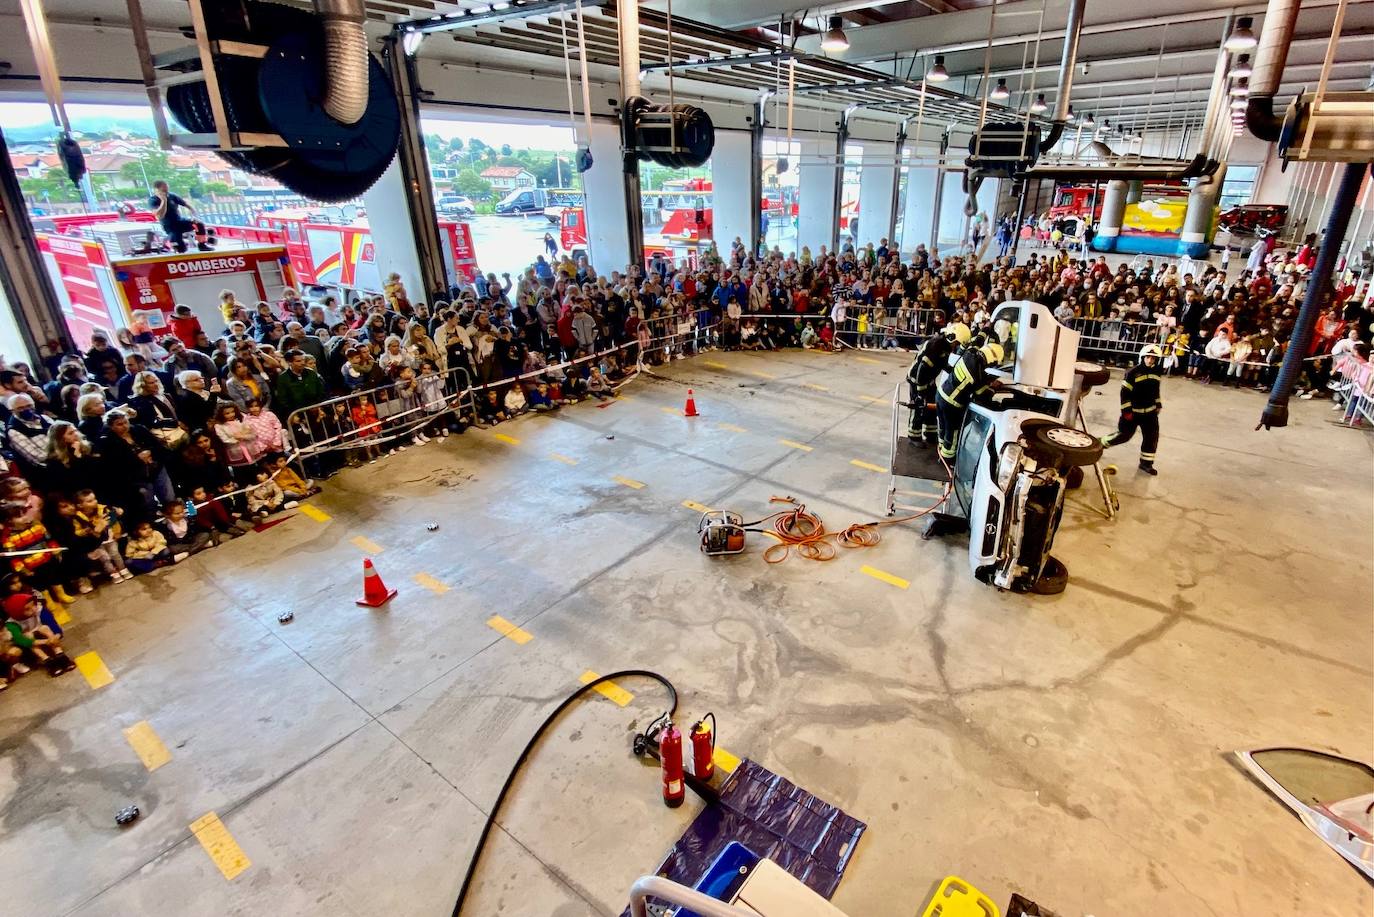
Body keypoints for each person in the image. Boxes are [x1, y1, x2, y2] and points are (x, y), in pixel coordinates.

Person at [935, 339, 1004, 463]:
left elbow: (977, 341)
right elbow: (982, 395)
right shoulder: (977, 374)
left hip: (941, 395)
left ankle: (941, 450)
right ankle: (948, 458)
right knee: (953, 432)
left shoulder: (970, 353)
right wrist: (992, 388)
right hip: (952, 404)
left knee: (943, 428)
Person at [1101, 343, 1164, 475]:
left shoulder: (1157, 372)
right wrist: (1126, 412)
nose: (1150, 360)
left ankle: (1146, 464)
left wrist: (1158, 404)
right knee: (1124, 436)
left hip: (1150, 414)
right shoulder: (1132, 373)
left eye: (1153, 358)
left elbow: (1155, 390)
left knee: (1151, 438)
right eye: (1148, 357)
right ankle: (1099, 444)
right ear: (1143, 357)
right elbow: (1124, 394)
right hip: (1133, 414)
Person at [906, 326, 961, 443]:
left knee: (931, 406)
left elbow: (942, 363)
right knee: (919, 407)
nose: (956, 346)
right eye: (957, 343)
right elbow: (922, 370)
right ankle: (914, 436)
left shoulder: (944, 347)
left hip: (929, 380)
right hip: (917, 380)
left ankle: (930, 434)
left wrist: (954, 371)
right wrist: (920, 393)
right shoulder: (935, 346)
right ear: (952, 338)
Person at [4, 592, 75, 676]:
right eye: (27, 609)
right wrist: (45, 641)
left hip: (43, 634)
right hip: (29, 644)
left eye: (33, 604)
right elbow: (20, 640)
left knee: (45, 628)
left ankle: (60, 654)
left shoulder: (40, 609)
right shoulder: (11, 624)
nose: (33, 609)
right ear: (17, 612)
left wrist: (56, 636)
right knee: (27, 635)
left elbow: (53, 624)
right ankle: (47, 660)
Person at [149, 179, 200, 253]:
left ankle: (202, 244)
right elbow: (159, 214)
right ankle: (178, 248)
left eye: (167, 186)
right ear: (157, 189)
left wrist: (194, 214)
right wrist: (164, 201)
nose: (167, 189)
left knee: (199, 224)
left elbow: (186, 204)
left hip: (179, 221)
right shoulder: (153, 200)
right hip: (169, 225)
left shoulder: (172, 196)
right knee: (177, 244)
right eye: (164, 187)